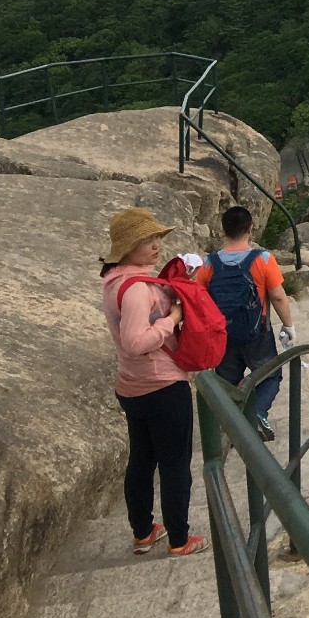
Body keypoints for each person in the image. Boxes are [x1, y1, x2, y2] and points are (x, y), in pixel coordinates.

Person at [100, 207, 207, 558]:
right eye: (147, 240)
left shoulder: (115, 281)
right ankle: (179, 539)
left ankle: (144, 532)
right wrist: (173, 318)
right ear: (128, 247)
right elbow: (135, 341)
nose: (156, 245)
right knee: (175, 463)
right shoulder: (135, 290)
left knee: (142, 460)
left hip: (132, 386)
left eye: (157, 237)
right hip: (160, 385)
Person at [198, 206, 295, 442]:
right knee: (270, 375)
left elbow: (200, 300)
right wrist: (288, 326)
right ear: (251, 229)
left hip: (223, 335)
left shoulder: (209, 263)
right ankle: (258, 414)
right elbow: (278, 296)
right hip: (257, 333)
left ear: (223, 231)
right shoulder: (262, 259)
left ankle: (235, 430)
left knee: (227, 383)